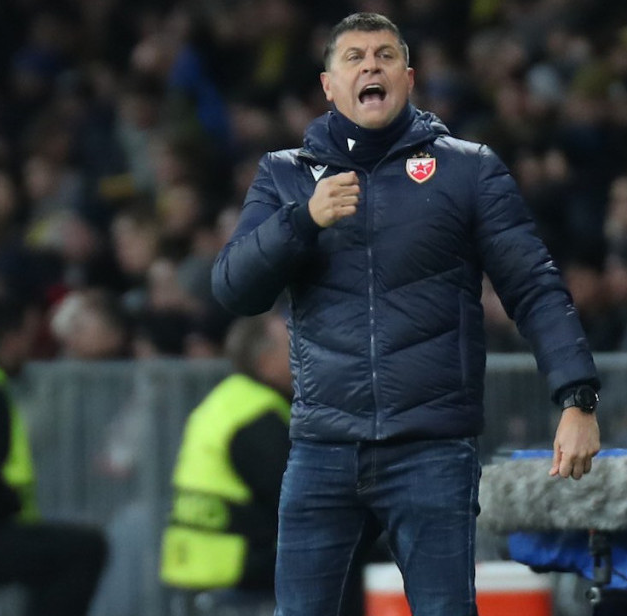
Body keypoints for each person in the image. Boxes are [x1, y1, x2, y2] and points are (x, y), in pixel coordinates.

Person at [211, 13, 601, 616]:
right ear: (328, 86)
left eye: (385, 55)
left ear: (409, 78)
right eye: (355, 57)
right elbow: (234, 290)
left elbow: (534, 287)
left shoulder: (468, 169)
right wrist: (302, 220)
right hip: (322, 448)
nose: (371, 65)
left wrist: (577, 398)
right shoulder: (286, 176)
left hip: (431, 448)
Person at [0, 294, 107, 616]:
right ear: (8, 339)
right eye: (28, 337)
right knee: (84, 551)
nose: (30, 350)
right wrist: (10, 501)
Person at [159, 310, 291, 603]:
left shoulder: (227, 400)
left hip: (195, 560)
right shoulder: (257, 416)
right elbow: (292, 497)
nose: (305, 357)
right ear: (264, 360)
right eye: (293, 347)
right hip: (237, 562)